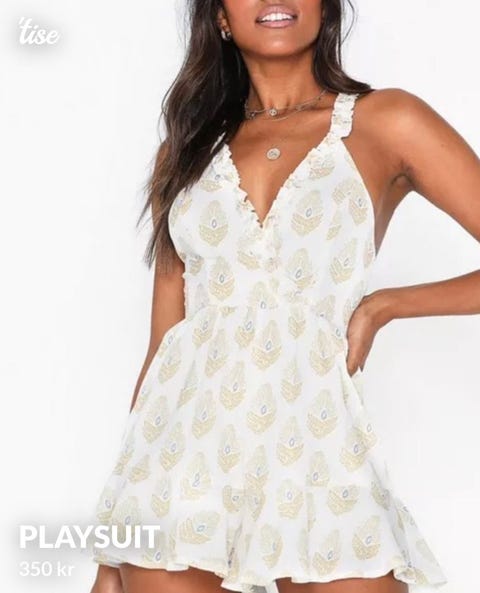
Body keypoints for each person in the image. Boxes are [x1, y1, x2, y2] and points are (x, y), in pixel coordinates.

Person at [89, 1, 480, 592]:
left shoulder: (387, 121)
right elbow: (164, 347)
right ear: (220, 17)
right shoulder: (186, 150)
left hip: (320, 454)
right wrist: (110, 550)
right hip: (178, 467)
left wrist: (387, 305)